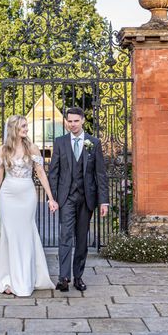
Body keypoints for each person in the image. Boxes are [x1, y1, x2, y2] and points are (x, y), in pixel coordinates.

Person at [0, 115, 59, 296]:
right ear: (14, 128)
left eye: (26, 126)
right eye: (23, 126)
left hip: (27, 194)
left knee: (25, 234)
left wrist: (51, 198)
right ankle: (7, 279)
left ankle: (25, 279)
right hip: (8, 195)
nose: (26, 129)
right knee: (8, 235)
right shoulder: (2, 150)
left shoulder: (31, 148)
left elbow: (40, 173)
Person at [49, 107, 108, 292]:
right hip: (66, 198)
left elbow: (101, 174)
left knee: (82, 239)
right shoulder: (60, 142)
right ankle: (63, 277)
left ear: (82, 120)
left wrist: (103, 201)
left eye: (76, 121)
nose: (72, 124)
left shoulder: (94, 142)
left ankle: (78, 277)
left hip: (87, 198)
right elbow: (53, 173)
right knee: (65, 236)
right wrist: (54, 198)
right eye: (69, 121)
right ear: (66, 121)